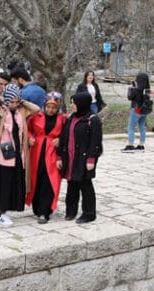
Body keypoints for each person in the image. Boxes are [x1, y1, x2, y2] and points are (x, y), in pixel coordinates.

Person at [0, 84, 40, 226]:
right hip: (3, 154)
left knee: (14, 182)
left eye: (16, 101)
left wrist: (22, 101)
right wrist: (0, 98)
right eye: (11, 101)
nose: (14, 104)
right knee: (3, 183)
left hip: (19, 154)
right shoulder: (0, 111)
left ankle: (7, 209)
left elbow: (36, 109)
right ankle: (1, 212)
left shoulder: (22, 111)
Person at [58, 91, 102, 224]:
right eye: (71, 103)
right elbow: (63, 138)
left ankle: (89, 213)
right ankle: (70, 211)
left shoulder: (92, 120)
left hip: (83, 158)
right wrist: (60, 156)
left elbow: (95, 142)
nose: (71, 105)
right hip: (70, 158)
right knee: (71, 184)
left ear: (82, 104)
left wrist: (91, 159)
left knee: (85, 184)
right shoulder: (71, 118)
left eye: (74, 103)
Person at [26, 92, 66, 224]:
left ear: (58, 107)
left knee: (49, 181)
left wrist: (60, 139)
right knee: (36, 179)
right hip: (36, 152)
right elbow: (27, 129)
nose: (51, 110)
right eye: (48, 106)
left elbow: (68, 133)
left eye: (54, 107)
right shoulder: (36, 116)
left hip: (52, 153)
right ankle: (37, 208)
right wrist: (30, 137)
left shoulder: (62, 119)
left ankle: (45, 211)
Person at [123, 72, 151, 152]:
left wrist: (132, 87)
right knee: (142, 127)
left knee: (131, 127)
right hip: (144, 111)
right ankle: (141, 145)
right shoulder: (147, 90)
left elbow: (130, 97)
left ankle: (130, 145)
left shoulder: (136, 89)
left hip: (136, 109)